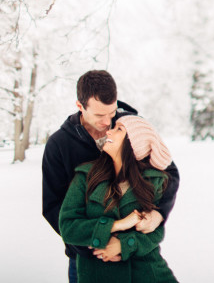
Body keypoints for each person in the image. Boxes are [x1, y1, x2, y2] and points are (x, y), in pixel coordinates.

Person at [42, 70, 180, 282]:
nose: (108, 122)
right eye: (99, 115)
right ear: (80, 106)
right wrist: (98, 244)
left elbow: (167, 172)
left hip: (139, 259)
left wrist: (158, 215)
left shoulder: (130, 127)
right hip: (88, 257)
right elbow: (54, 208)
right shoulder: (59, 145)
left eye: (112, 112)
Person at [59, 115, 179, 282]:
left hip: (147, 274)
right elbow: (68, 227)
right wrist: (117, 225)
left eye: (119, 129)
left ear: (133, 143)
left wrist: (124, 245)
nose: (109, 132)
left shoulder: (155, 181)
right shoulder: (86, 176)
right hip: (97, 275)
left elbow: (156, 232)